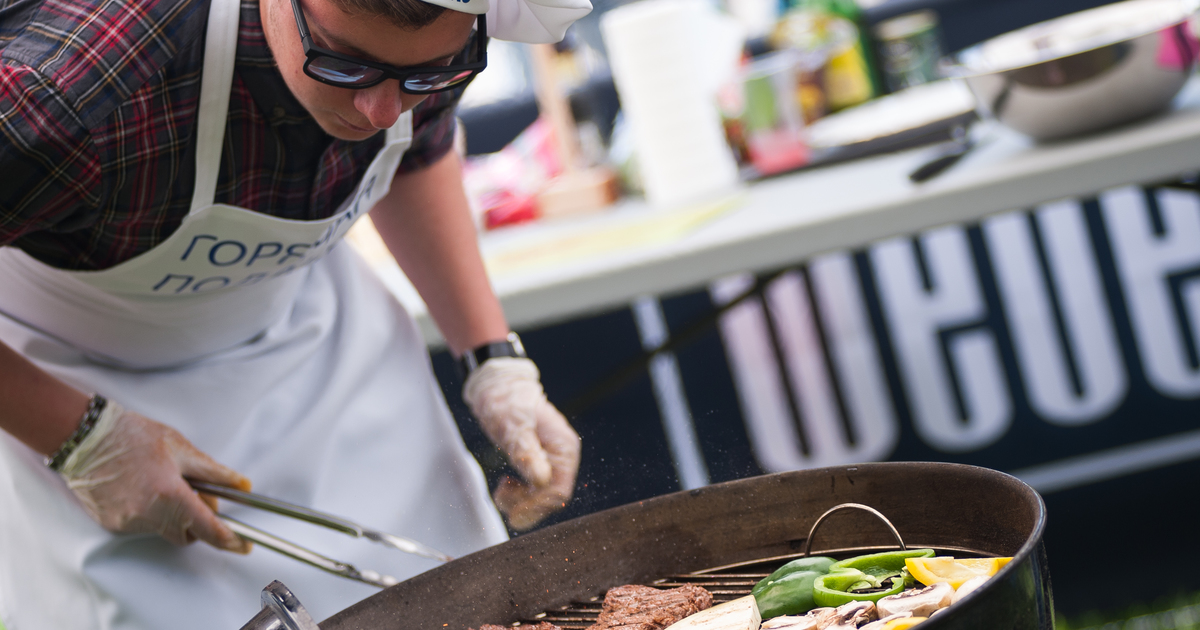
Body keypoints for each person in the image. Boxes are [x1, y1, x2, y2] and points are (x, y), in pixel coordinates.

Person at [0, 0, 589, 623]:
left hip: (317, 346)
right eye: (345, 65)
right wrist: (79, 435)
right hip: (78, 379)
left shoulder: (440, 29)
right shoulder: (62, 90)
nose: (382, 110)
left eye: (426, 76)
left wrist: (494, 363)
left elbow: (417, 150)